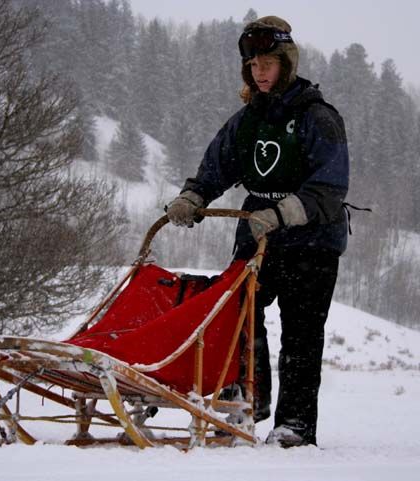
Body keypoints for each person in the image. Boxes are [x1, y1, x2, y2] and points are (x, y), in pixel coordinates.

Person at [166, 15, 349, 448]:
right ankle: (248, 401)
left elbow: (330, 187)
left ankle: (295, 426)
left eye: (268, 62)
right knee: (238, 318)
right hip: (258, 235)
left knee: (301, 333)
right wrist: (193, 197)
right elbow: (216, 167)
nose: (260, 71)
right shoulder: (247, 120)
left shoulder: (317, 117)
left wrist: (283, 211)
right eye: (253, 65)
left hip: (312, 241)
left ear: (286, 63)